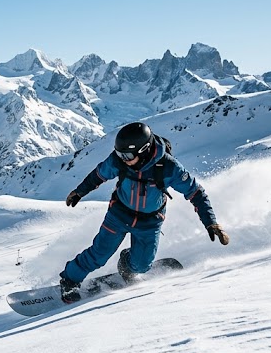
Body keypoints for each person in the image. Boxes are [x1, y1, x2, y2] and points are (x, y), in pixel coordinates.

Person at [59, 122, 229, 303]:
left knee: (141, 265)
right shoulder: (119, 160)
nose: (122, 158)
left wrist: (211, 222)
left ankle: (127, 262)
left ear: (145, 150)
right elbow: (99, 174)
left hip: (149, 222)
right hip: (119, 214)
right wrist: (80, 191)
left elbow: (195, 192)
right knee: (99, 253)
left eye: (127, 155)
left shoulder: (169, 168)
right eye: (119, 153)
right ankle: (69, 280)